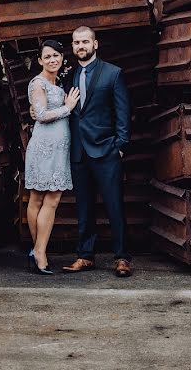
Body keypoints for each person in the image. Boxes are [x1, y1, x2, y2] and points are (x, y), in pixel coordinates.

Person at [61, 26, 133, 277]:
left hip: (106, 150)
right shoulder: (67, 76)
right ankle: (85, 256)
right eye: (76, 42)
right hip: (79, 152)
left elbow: (122, 113)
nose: (80, 46)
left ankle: (122, 257)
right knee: (84, 206)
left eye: (85, 41)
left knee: (114, 205)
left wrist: (120, 146)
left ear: (95, 44)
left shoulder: (113, 74)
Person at [24, 40, 80, 275]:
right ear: (40, 61)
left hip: (58, 149)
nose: (52, 60)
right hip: (44, 147)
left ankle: (38, 249)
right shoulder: (38, 83)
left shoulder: (56, 82)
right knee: (41, 198)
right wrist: (67, 107)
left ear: (61, 57)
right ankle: (39, 251)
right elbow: (42, 115)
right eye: (47, 57)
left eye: (56, 55)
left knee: (45, 198)